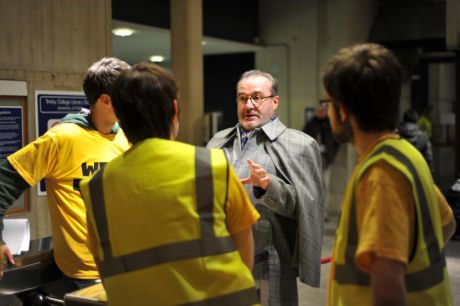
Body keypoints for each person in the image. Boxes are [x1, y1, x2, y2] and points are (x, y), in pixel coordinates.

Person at [79, 62, 260, 306]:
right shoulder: (212, 165)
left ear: (120, 117)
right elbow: (244, 255)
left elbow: (104, 265)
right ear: (174, 110)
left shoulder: (95, 188)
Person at [322, 43, 455, 306]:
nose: (326, 112)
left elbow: (389, 292)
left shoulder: (380, 173)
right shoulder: (405, 153)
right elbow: (447, 223)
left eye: (328, 103)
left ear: (344, 111)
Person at [0, 57, 131, 292]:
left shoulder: (128, 136)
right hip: (84, 275)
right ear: (106, 100)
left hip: (127, 267)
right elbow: (2, 184)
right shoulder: (61, 139)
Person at [207, 70, 324, 305]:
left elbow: (307, 209)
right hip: (221, 256)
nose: (249, 105)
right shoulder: (218, 141)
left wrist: (269, 186)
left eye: (257, 97)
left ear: (275, 101)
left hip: (271, 261)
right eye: (242, 98)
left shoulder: (300, 145)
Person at [303, 104, 340, 220]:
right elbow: (303, 138)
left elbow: (336, 141)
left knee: (325, 186)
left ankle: (324, 213)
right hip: (313, 160)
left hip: (327, 159)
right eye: (319, 110)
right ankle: (314, 212)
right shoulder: (310, 124)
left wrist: (330, 152)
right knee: (313, 186)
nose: (321, 112)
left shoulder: (330, 124)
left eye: (323, 111)